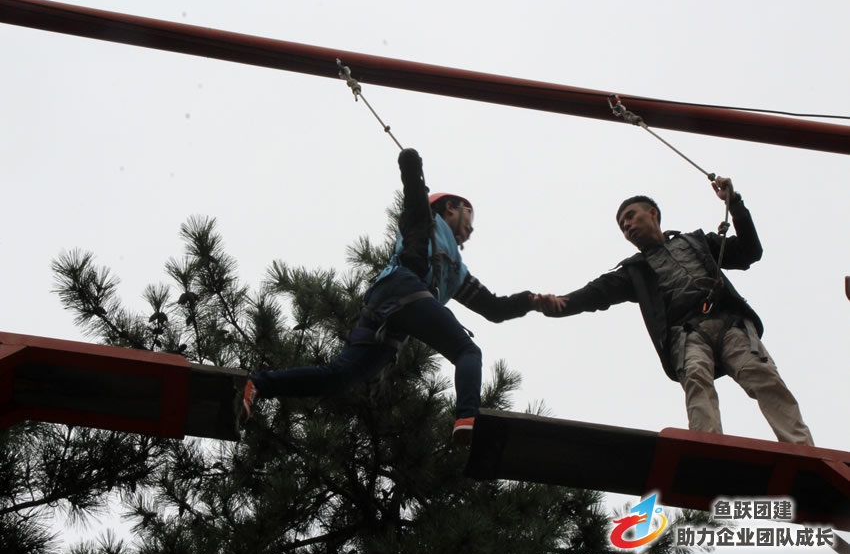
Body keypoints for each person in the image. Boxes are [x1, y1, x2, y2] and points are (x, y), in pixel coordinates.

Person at [237, 147, 562, 445]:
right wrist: (412, 164)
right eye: (468, 216)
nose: (471, 229)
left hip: (388, 311)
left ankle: (257, 385)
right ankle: (467, 417)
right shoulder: (424, 221)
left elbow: (493, 308)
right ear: (450, 207)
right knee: (467, 352)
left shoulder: (456, 273)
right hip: (403, 289)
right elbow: (414, 194)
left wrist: (531, 301)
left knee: (340, 376)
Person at [543, 177, 813, 445]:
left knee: (763, 376)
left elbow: (749, 251)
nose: (626, 226)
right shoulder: (634, 271)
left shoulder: (696, 242)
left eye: (630, 217)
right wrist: (559, 303)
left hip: (729, 323)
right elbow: (595, 293)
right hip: (687, 335)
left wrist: (736, 205)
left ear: (652, 214)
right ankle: (707, 449)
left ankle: (801, 448)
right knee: (696, 381)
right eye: (622, 226)